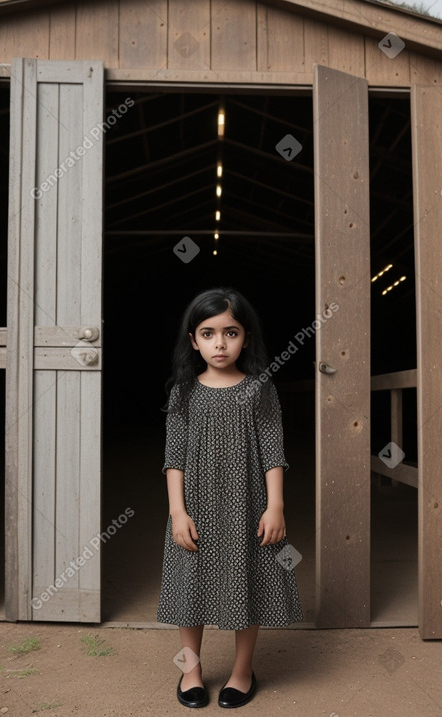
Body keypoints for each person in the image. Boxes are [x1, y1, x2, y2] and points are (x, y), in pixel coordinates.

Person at [157, 287, 303, 709]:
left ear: (247, 338)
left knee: (250, 578)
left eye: (230, 332)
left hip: (249, 503)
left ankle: (242, 670)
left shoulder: (259, 388)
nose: (219, 343)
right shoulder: (183, 392)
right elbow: (174, 457)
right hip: (195, 505)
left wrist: (275, 506)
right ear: (193, 340)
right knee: (190, 584)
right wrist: (177, 512)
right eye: (208, 333)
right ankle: (191, 669)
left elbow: (274, 449)